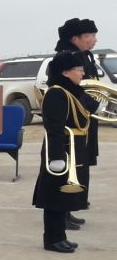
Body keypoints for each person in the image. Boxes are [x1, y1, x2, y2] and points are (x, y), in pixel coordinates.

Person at [32, 51, 96, 253]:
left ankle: (60, 235)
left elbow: (90, 108)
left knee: (65, 196)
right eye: (79, 69)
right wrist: (57, 157)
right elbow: (54, 128)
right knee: (55, 194)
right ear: (65, 72)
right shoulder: (56, 93)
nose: (82, 73)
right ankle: (52, 239)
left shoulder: (72, 91)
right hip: (61, 149)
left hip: (74, 147)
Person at [53, 18, 100, 230]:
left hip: (81, 119)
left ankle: (69, 209)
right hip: (71, 123)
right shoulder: (65, 58)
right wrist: (93, 104)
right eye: (90, 35)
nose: (94, 39)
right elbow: (74, 90)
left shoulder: (81, 56)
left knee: (79, 165)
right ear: (75, 38)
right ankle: (62, 213)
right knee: (67, 168)